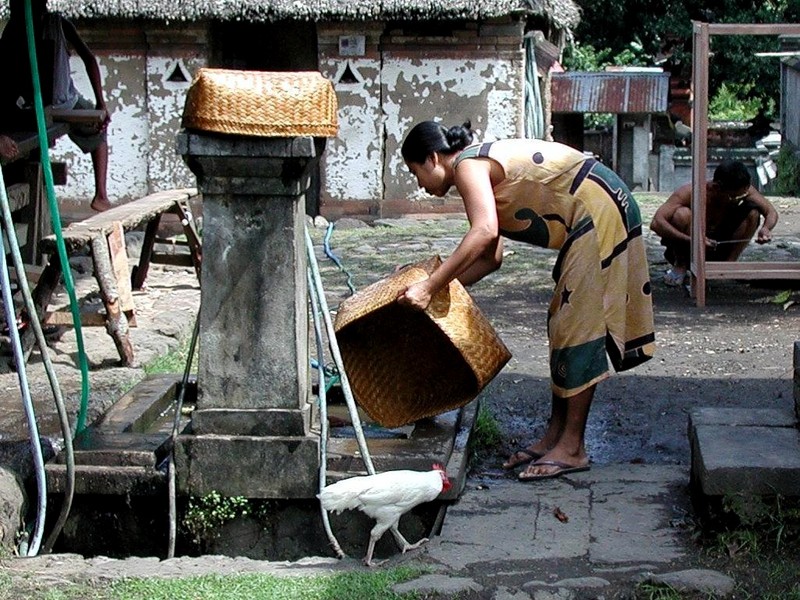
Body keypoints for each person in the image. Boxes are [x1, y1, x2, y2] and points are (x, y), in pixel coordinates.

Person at [397, 121, 656, 481]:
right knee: (562, 323)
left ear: (432, 158)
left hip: (597, 212)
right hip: (595, 210)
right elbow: (490, 257)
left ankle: (573, 447)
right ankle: (556, 436)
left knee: (578, 327)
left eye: (415, 174)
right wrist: (435, 287)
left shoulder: (467, 166)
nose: (420, 186)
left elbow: (484, 231)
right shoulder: (475, 169)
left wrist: (431, 285)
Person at [0, 0, 112, 211]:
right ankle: (101, 195)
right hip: (31, 105)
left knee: (100, 128)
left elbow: (89, 59)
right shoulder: (14, 30)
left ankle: (101, 195)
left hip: (65, 100)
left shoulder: (59, 24)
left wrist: (101, 103)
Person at [650, 159, 779, 286]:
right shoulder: (690, 192)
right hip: (689, 246)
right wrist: (693, 240)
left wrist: (766, 228)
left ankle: (729, 264)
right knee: (681, 215)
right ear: (716, 187)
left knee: (753, 213)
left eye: (741, 196)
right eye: (733, 197)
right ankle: (680, 265)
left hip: (720, 245)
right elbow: (656, 222)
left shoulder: (743, 189)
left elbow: (771, 211)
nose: (737, 199)